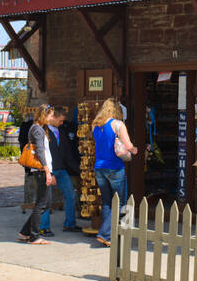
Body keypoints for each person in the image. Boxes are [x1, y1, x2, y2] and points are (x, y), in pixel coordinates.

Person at [92, 97, 136, 247]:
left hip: (99, 167)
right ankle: (104, 233)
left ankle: (108, 237)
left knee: (106, 202)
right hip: (115, 167)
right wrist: (135, 150)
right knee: (120, 201)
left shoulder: (95, 125)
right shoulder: (118, 124)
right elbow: (128, 145)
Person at [38, 106, 82, 235]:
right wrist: (48, 172)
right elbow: (42, 153)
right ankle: (43, 227)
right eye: (60, 120)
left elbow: (67, 153)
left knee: (70, 195)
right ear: (53, 117)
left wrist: (77, 170)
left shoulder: (61, 131)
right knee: (46, 199)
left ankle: (69, 224)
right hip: (48, 170)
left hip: (61, 170)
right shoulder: (43, 131)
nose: (62, 123)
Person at [18, 105, 56, 245]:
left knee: (44, 203)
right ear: (43, 115)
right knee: (42, 204)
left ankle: (24, 232)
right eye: (50, 115)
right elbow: (40, 152)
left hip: (42, 170)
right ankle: (34, 236)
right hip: (41, 170)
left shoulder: (37, 128)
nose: (52, 118)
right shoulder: (38, 130)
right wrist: (47, 171)